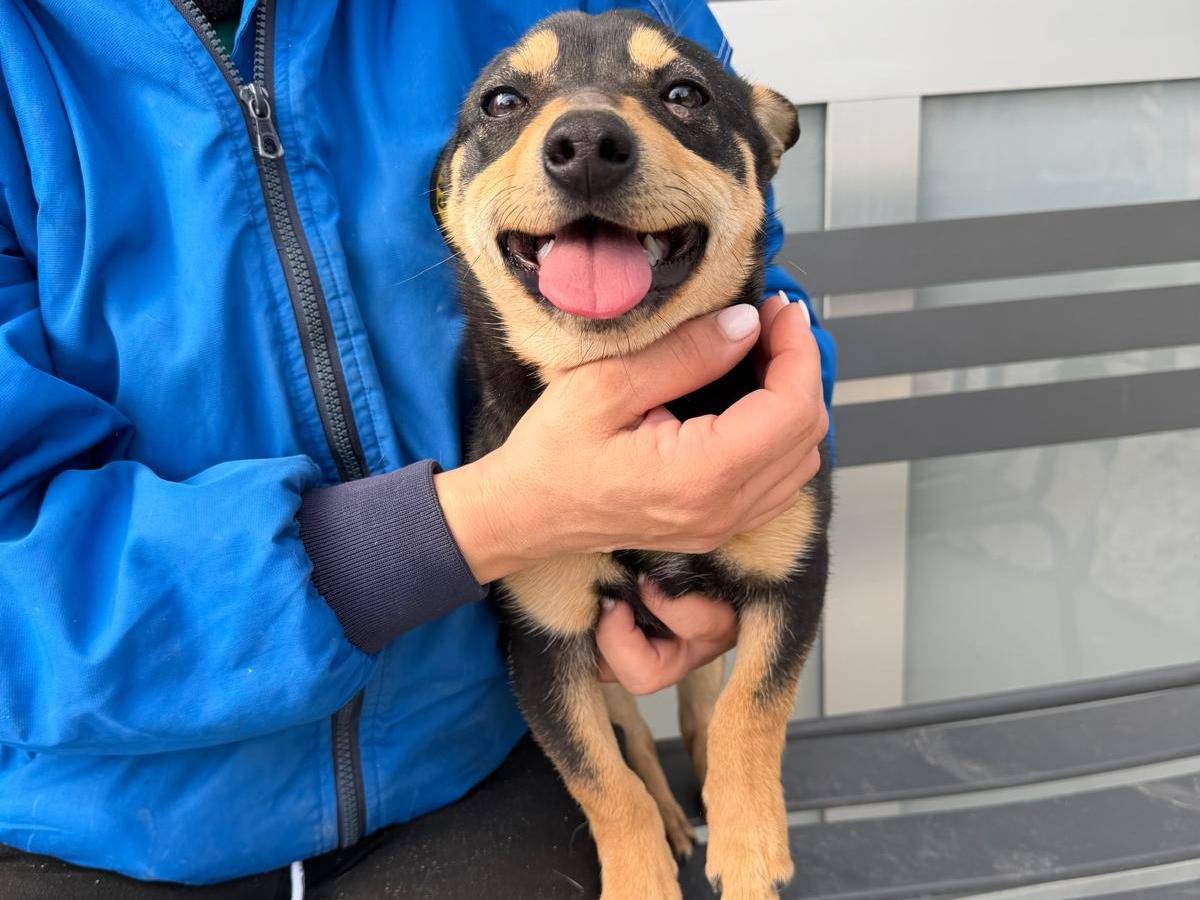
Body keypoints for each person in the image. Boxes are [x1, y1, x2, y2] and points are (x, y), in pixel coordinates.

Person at [0, 0, 835, 897]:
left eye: (672, 93)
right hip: (91, 808)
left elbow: (744, 263)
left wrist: (735, 476)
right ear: (445, 196)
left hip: (471, 751)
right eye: (510, 106)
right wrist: (471, 527)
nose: (585, 139)